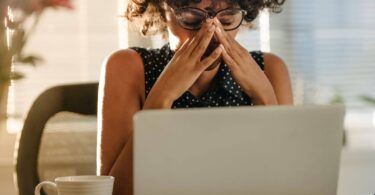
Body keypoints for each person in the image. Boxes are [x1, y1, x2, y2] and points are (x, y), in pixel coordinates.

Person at [98, 0, 293, 194]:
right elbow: (114, 191)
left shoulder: (270, 69)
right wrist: (162, 97)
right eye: (191, 19)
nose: (212, 33)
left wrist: (265, 97)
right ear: (161, 8)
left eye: (226, 20)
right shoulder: (127, 67)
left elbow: (290, 183)